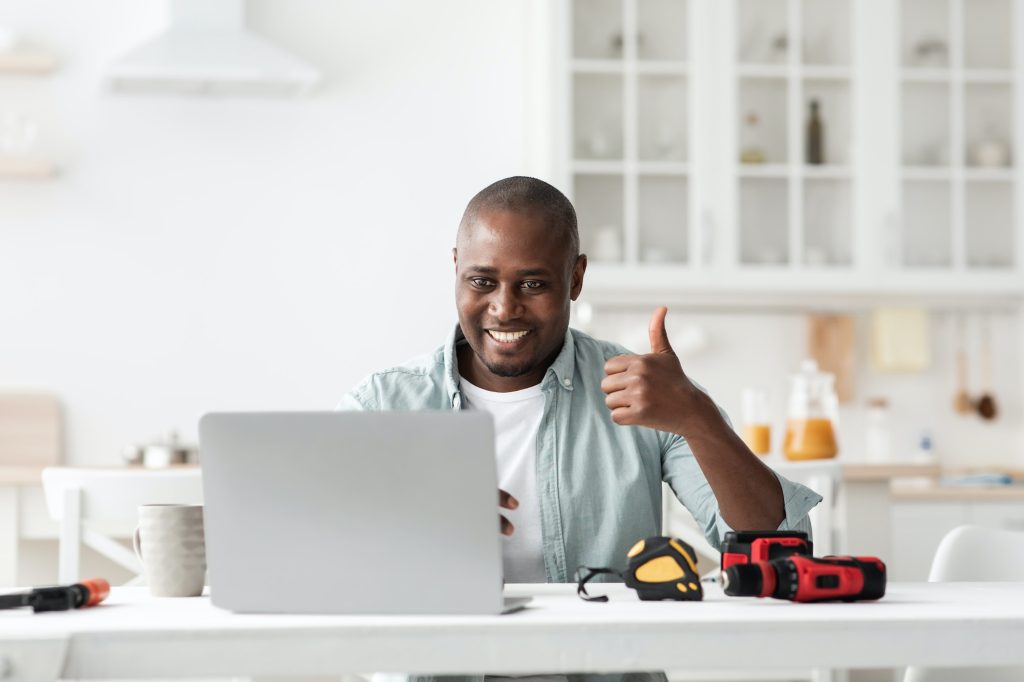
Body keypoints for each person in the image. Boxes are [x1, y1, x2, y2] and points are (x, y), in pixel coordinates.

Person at [339, 176, 821, 682]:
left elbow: (783, 546)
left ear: (575, 278)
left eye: (532, 283)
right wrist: (413, 523)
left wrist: (698, 418)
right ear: (456, 267)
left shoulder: (647, 394)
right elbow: (317, 564)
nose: (504, 308)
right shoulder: (384, 404)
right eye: (482, 281)